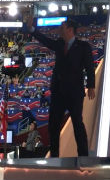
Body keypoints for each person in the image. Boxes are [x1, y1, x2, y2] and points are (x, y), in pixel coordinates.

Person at [24, 17, 95, 157]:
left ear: (69, 30)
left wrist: (91, 85)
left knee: (77, 124)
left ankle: (83, 156)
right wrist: (32, 29)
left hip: (74, 93)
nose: (59, 30)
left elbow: (89, 67)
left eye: (62, 27)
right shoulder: (59, 44)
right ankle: (54, 157)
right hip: (58, 92)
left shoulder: (83, 47)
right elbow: (45, 41)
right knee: (53, 126)